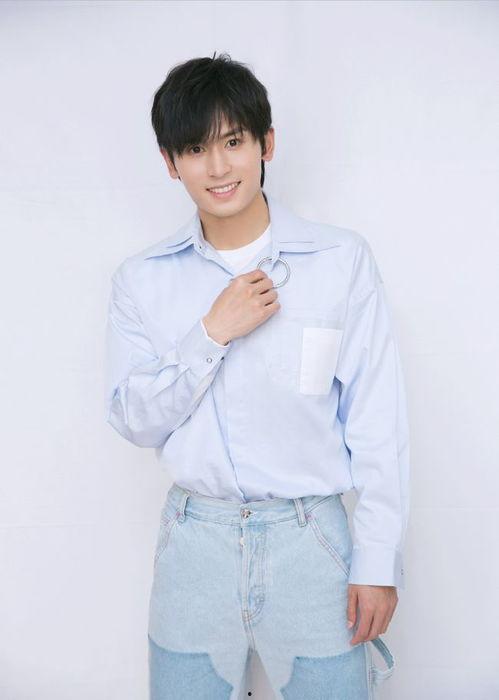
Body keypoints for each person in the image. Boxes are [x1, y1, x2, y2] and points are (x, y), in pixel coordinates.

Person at [104, 51, 410, 700]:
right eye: (195, 149)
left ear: (265, 144)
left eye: (233, 142)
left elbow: (376, 421)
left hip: (312, 540)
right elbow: (133, 419)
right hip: (195, 543)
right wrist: (211, 333)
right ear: (170, 163)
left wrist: (378, 561)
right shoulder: (141, 280)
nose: (218, 168)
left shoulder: (340, 260)